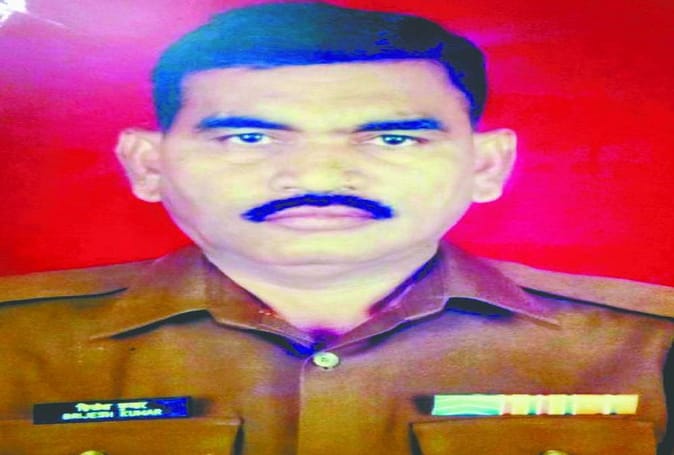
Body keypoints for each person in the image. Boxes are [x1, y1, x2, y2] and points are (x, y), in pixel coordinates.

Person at [0, 2, 672, 454]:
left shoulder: (649, 348)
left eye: (392, 138)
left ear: (486, 164)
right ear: (147, 164)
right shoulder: (16, 344)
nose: (318, 174)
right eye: (249, 137)